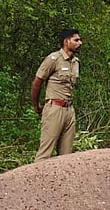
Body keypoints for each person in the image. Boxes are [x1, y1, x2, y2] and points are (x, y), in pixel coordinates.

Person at [30, 28, 82, 162]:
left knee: (66, 156)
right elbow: (37, 82)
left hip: (69, 110)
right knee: (45, 153)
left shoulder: (75, 62)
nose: (80, 43)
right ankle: (36, 180)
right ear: (66, 41)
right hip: (54, 108)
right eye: (76, 40)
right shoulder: (53, 59)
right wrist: (36, 106)